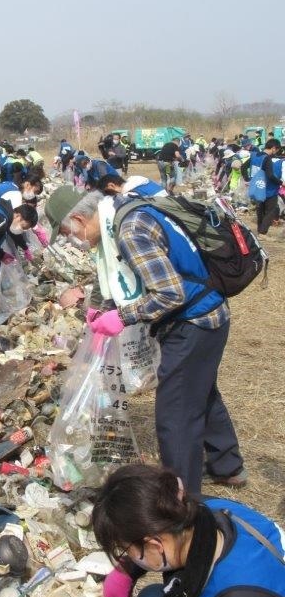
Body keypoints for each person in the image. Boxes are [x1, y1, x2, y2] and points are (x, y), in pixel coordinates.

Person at [45, 188, 245, 494]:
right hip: (205, 316)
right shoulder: (118, 216)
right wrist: (100, 308)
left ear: (78, 219)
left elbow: (171, 294)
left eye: (67, 233)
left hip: (195, 321)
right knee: (199, 389)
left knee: (175, 415)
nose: (73, 241)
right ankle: (227, 465)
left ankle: (182, 504)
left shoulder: (130, 230)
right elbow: (116, 275)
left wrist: (122, 318)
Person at [92, 463, 285, 597]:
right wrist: (127, 570)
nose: (127, 557)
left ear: (155, 545)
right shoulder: (195, 510)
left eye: (125, 550)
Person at [249, 138, 283, 238]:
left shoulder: (254, 155)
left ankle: (260, 230)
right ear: (273, 148)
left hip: (256, 187)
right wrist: (281, 183)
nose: (276, 153)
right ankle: (262, 233)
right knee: (271, 210)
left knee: (260, 209)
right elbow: (270, 175)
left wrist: (249, 179)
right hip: (267, 188)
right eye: (276, 150)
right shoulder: (267, 158)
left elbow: (243, 167)